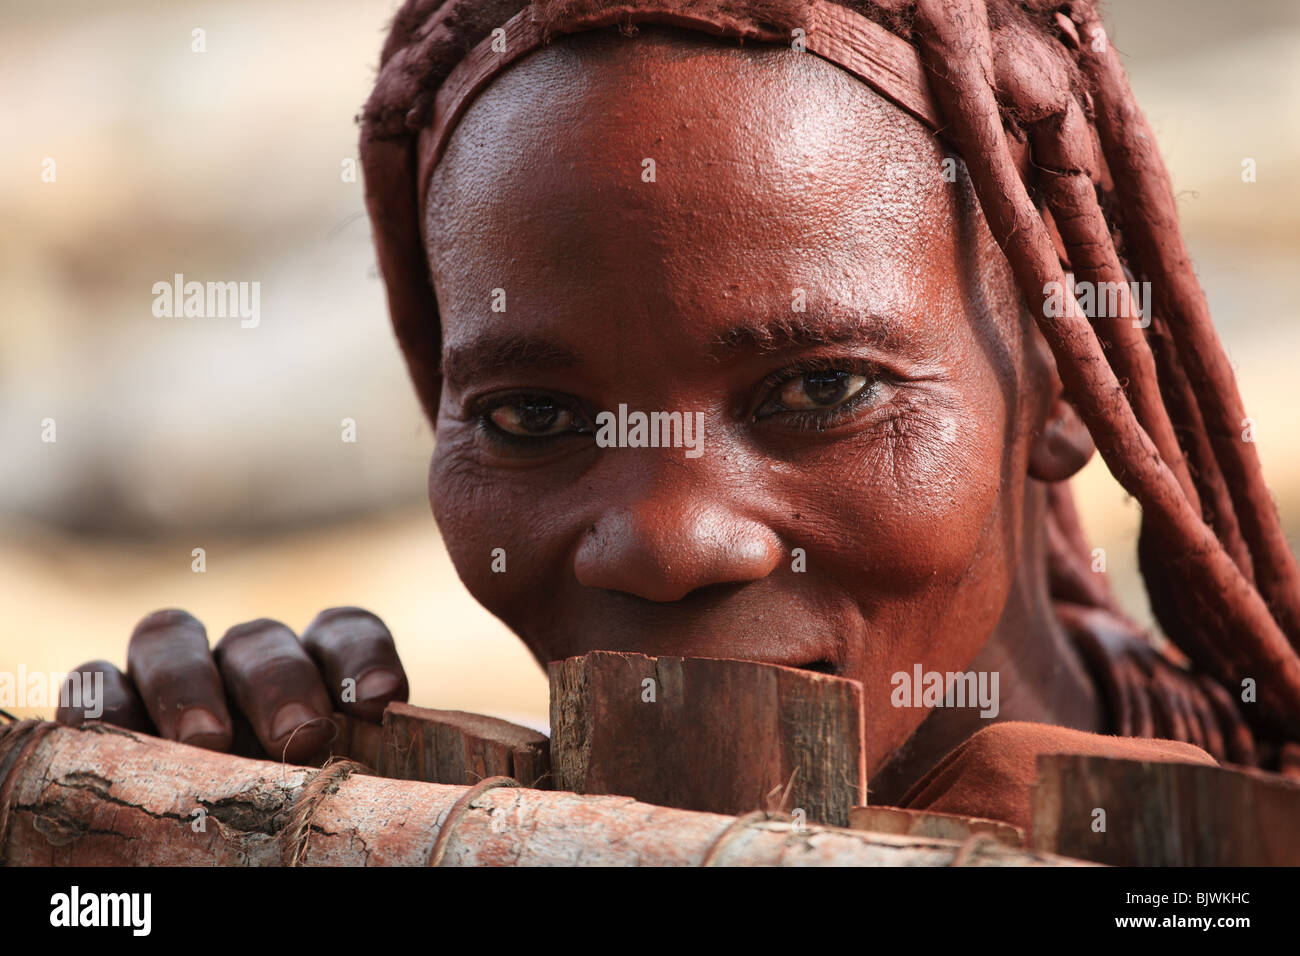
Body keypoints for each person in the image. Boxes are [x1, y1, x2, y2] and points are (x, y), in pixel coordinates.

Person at [57, 0, 1300, 832]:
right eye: (534, 414)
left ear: (1062, 376)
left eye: (821, 389)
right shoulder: (407, 821)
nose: (664, 540)